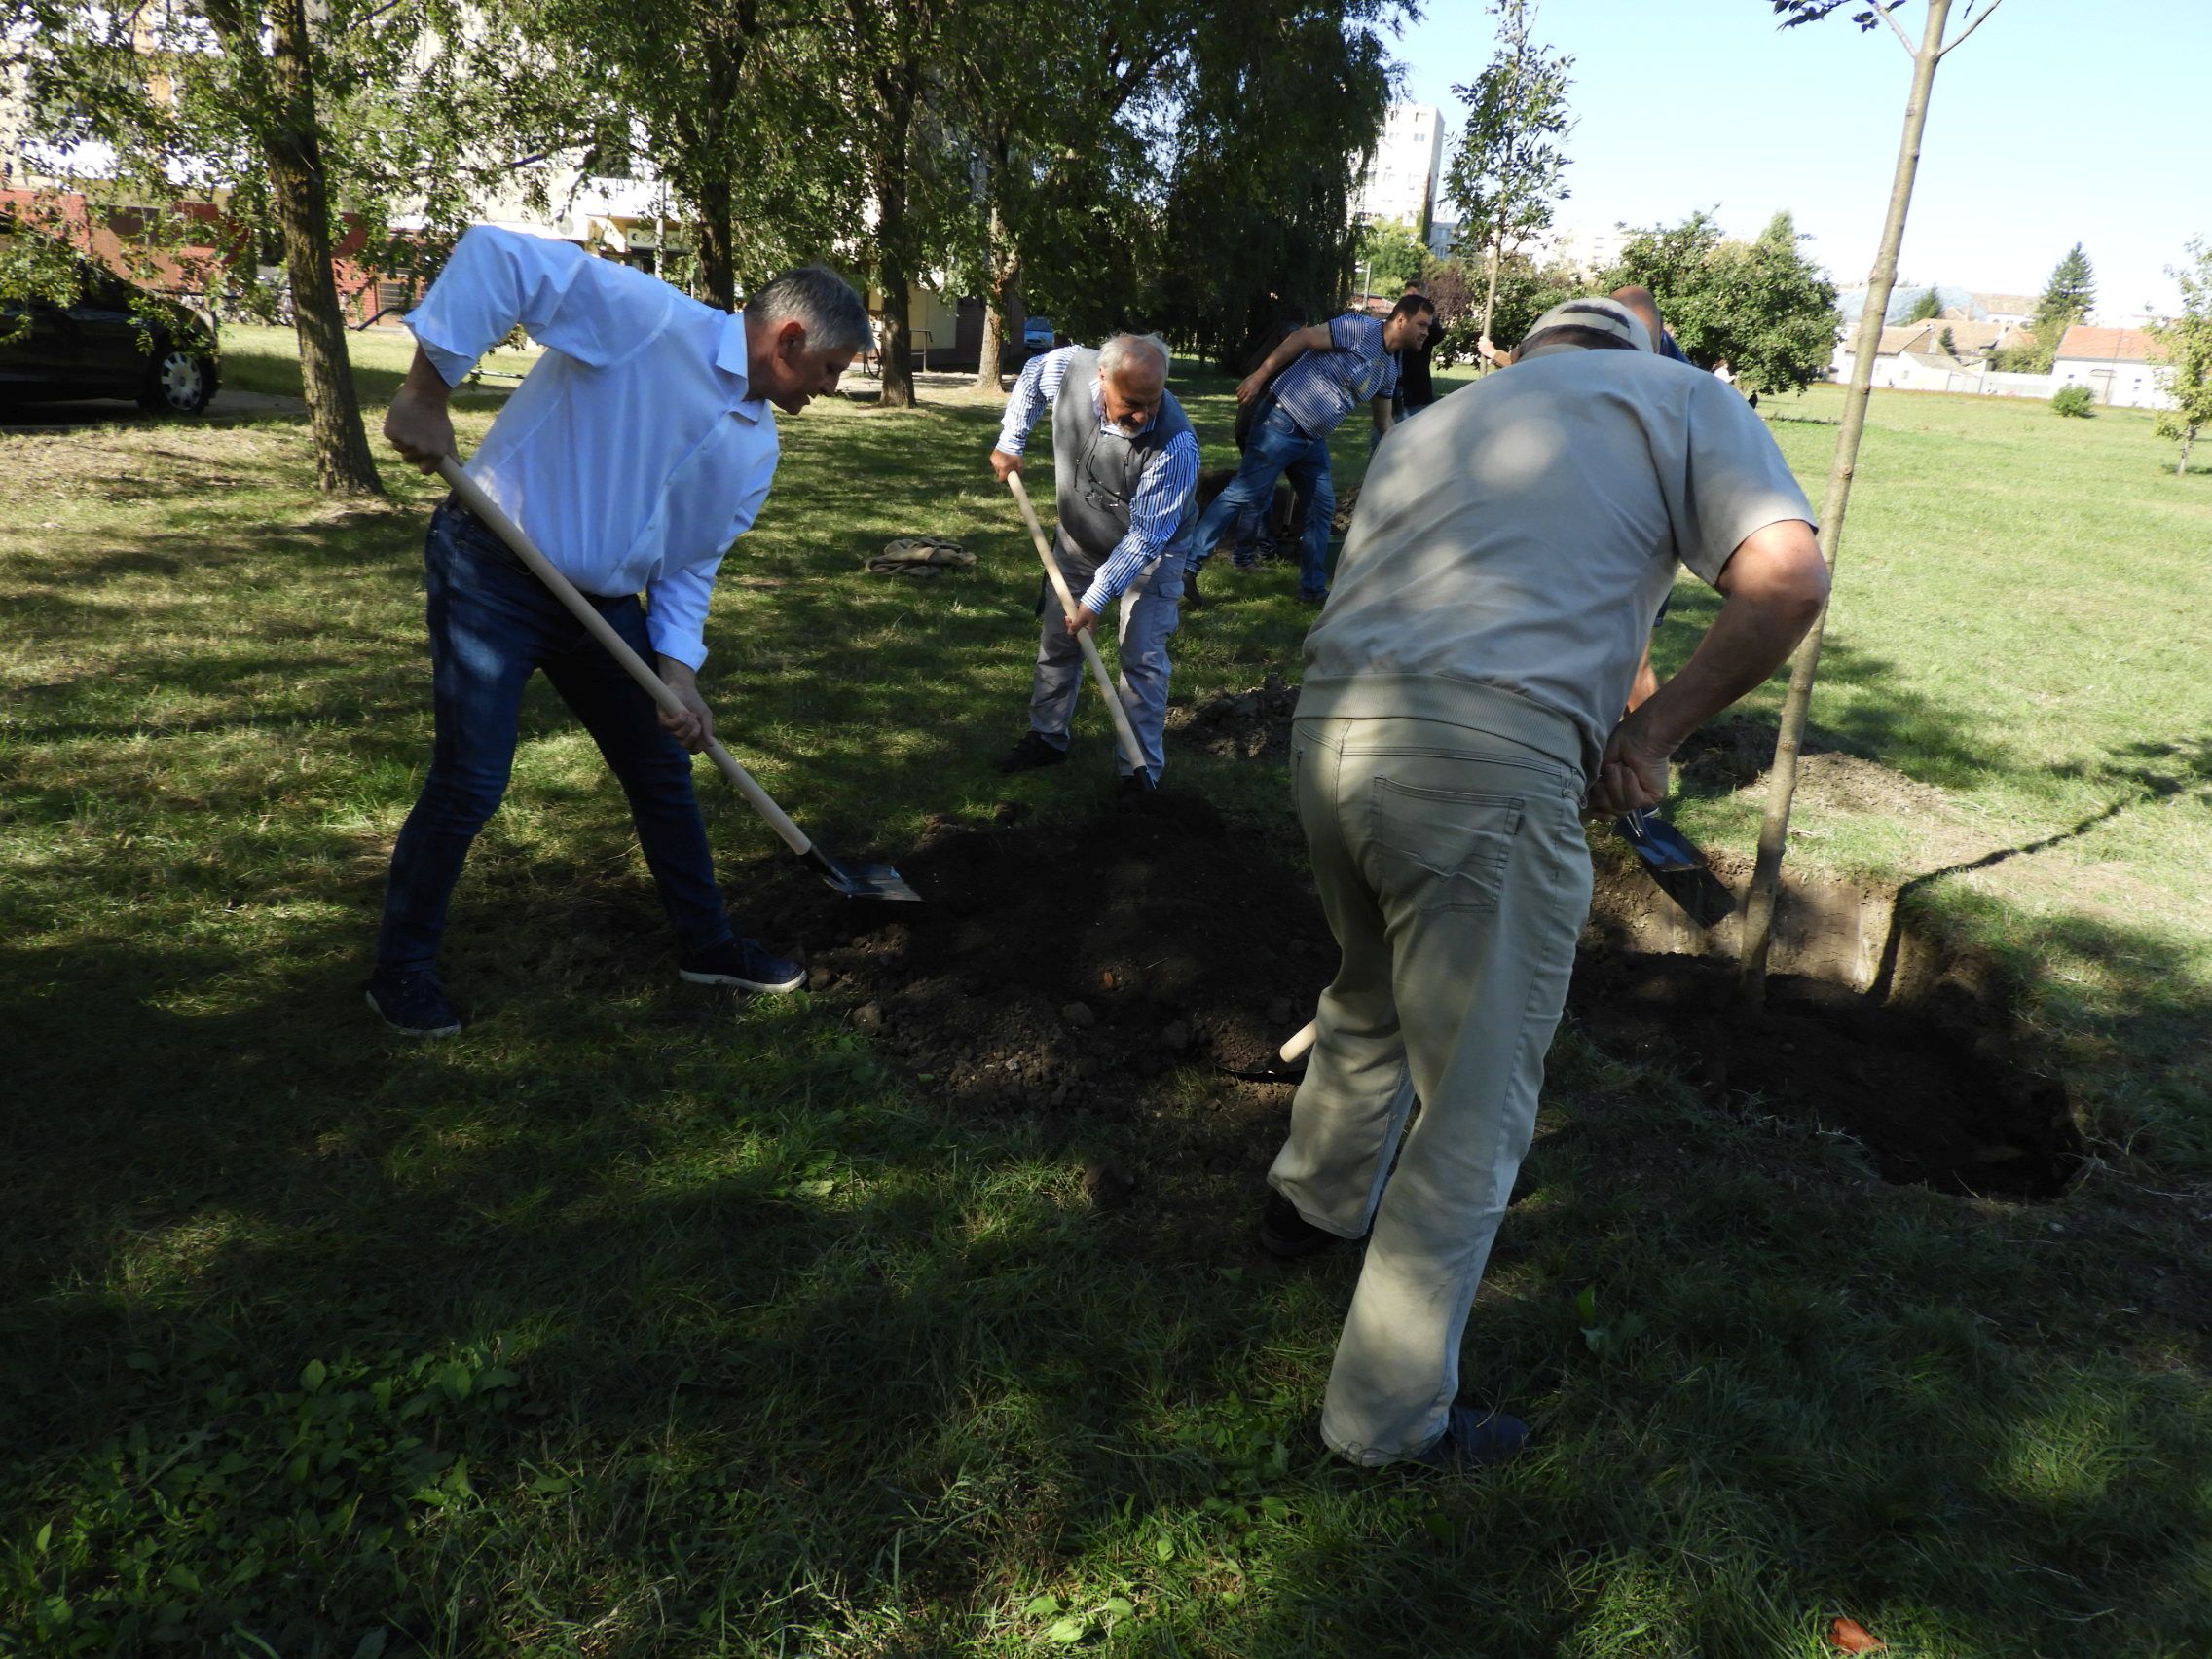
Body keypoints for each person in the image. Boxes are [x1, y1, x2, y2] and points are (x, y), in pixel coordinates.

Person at [1257, 296, 1829, 1470]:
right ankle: (1383, 1422)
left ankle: (1303, 1208)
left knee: (1366, 989)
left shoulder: (1441, 422)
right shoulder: (1681, 398)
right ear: (1641, 355)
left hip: (1328, 730)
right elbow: (1783, 582)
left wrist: (1623, 693)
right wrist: (1650, 737)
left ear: (1534, 355)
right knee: (1471, 1106)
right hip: (1480, 766)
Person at [370, 226, 868, 1037]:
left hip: (601, 609)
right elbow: (500, 258)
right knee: (472, 782)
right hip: (494, 570)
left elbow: (689, 562)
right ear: (787, 338)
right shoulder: (648, 319)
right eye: (830, 369)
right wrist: (428, 392)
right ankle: (400, 972)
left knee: (664, 767)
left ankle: (708, 944)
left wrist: (678, 669)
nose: (832, 388)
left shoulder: (756, 446)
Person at [987, 333, 1199, 792]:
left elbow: (1144, 537)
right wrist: (1011, 440)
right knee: (1058, 643)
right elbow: (1030, 377)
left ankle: (1138, 771)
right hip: (1080, 538)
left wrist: (1096, 599)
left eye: (1153, 401)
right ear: (1102, 378)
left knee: (1141, 657)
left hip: (1153, 554)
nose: (1143, 415)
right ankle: (1047, 737)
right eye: (1131, 402)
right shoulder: (1070, 368)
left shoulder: (1176, 445)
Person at [1186, 291, 1437, 604]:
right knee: (1244, 492)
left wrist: (1413, 454)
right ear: (1401, 320)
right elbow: (1302, 338)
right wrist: (1258, 376)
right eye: (1422, 325)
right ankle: (1188, 565)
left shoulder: (1389, 368)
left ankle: (1312, 589)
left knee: (1321, 507)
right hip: (1281, 419)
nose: (1426, 332)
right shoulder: (1358, 329)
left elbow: (1384, 424)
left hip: (1311, 440)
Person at [1392, 278, 1441, 421]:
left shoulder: (1427, 326)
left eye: (1415, 298)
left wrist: (1425, 309)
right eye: (1407, 297)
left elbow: (1438, 335)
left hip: (1416, 392)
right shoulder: (1398, 320)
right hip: (1392, 390)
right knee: (1383, 436)